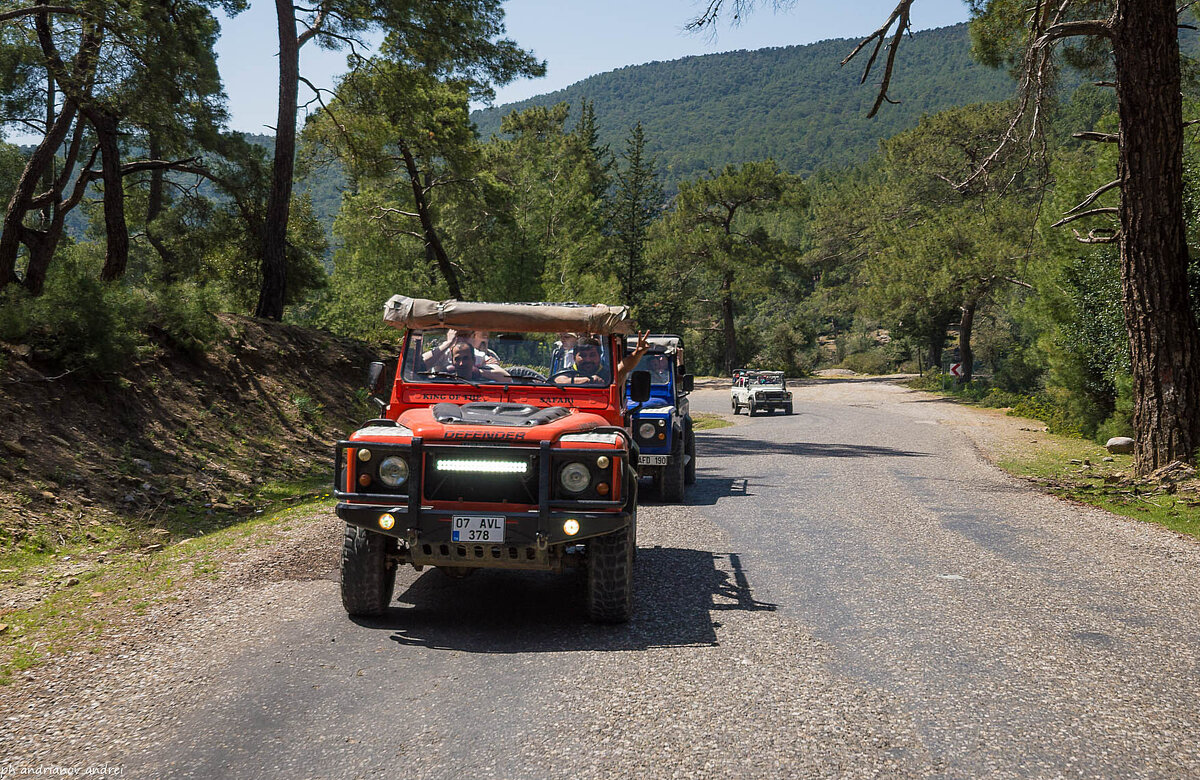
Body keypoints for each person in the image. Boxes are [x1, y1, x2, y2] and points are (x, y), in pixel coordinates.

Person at [555, 331, 650, 386]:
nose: (588, 360)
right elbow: (558, 381)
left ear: (599, 355)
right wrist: (589, 380)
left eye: (592, 355)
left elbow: (624, 367)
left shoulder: (608, 375)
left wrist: (638, 353)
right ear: (574, 357)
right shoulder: (567, 372)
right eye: (582, 355)